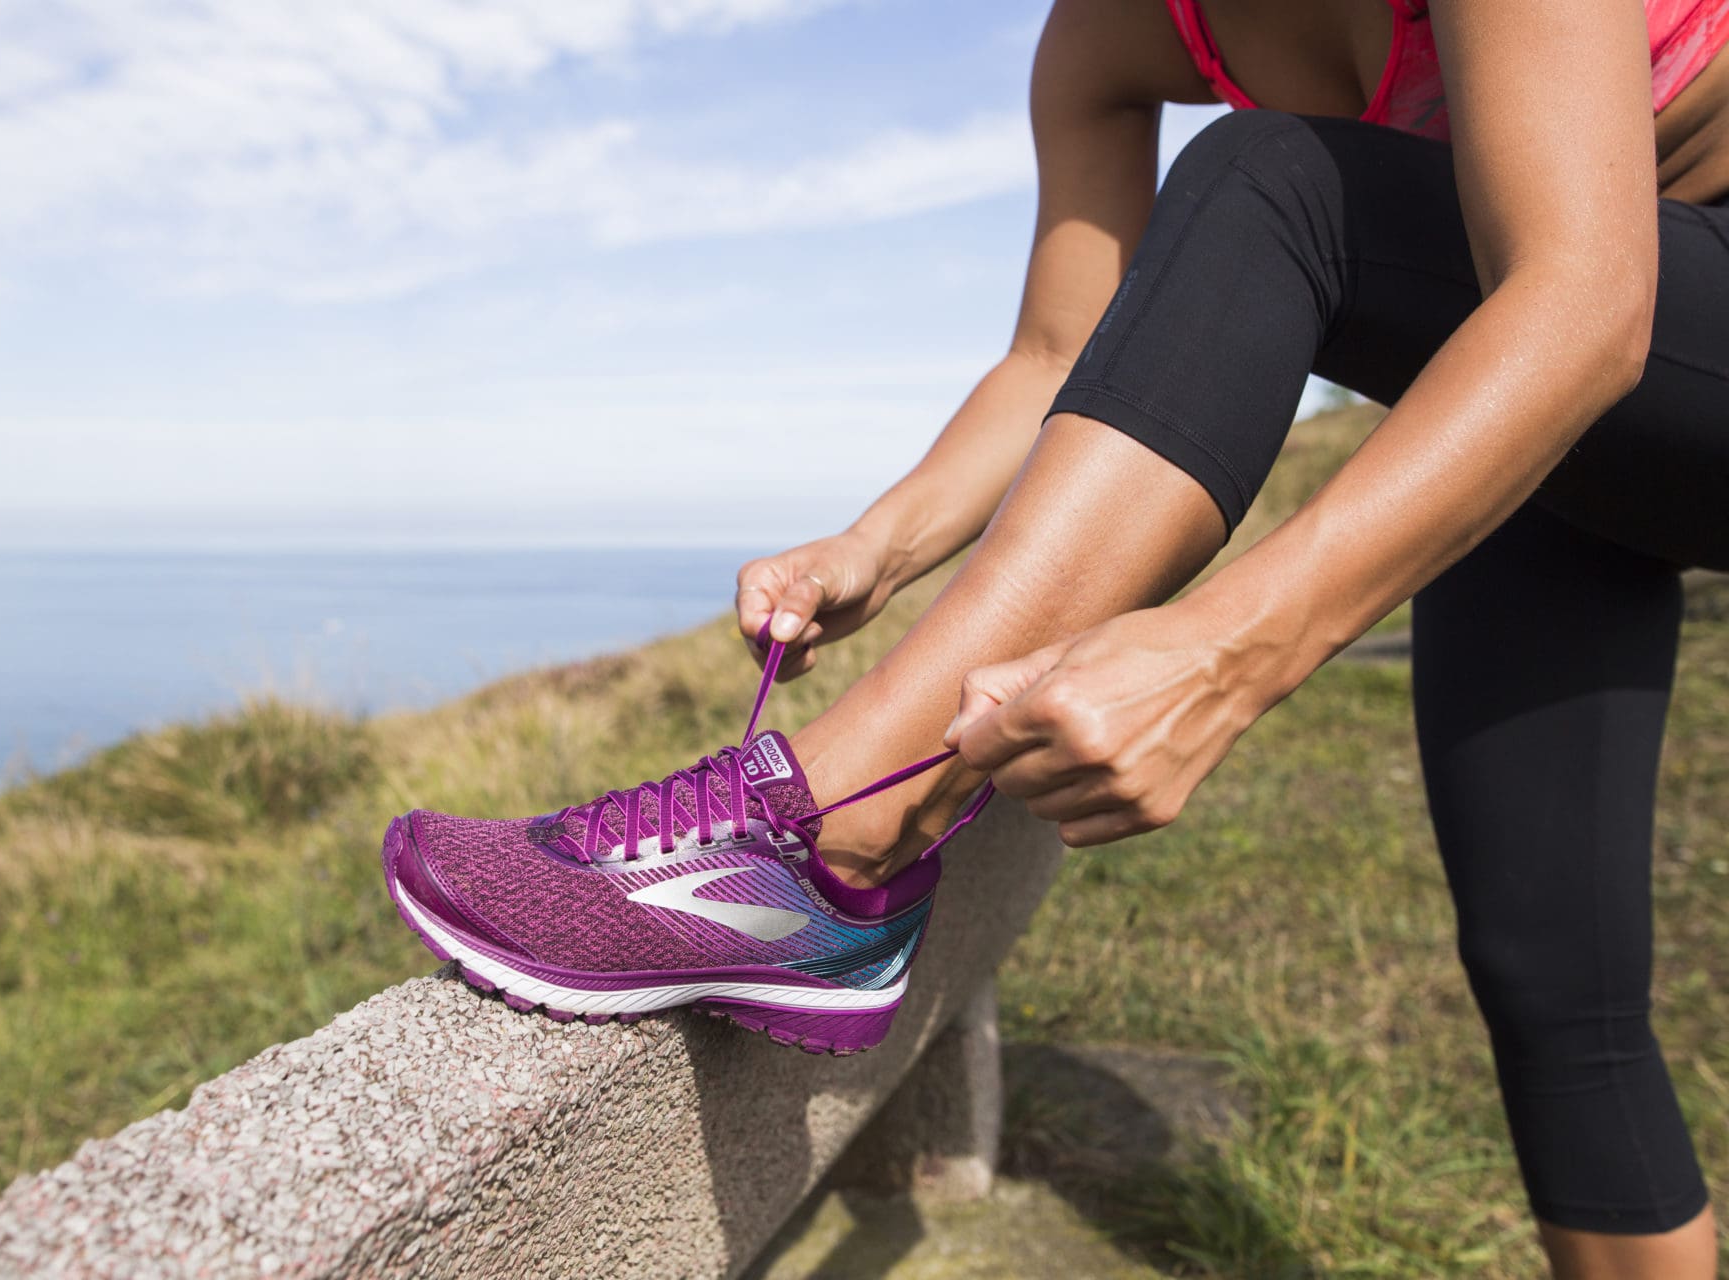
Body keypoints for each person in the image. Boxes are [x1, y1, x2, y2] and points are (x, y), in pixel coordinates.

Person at [385, 1, 1727, 1273]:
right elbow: (1059, 353)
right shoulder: (1109, 38)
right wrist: (882, 542)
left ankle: (829, 842)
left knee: (1268, 176)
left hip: (1637, 327)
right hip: (1546, 413)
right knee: (1553, 983)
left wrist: (1222, 654)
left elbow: (1585, 301)